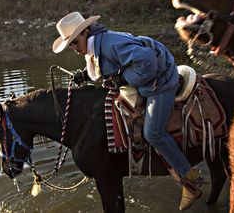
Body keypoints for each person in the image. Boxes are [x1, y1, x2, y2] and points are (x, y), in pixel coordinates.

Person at [52, 11, 201, 210]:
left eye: (74, 42)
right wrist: (85, 76)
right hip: (147, 79)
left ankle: (188, 177)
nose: (74, 48)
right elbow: (108, 66)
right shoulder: (97, 45)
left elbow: (147, 61)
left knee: (152, 132)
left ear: (86, 32)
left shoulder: (108, 44)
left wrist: (123, 79)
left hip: (161, 80)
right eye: (70, 44)